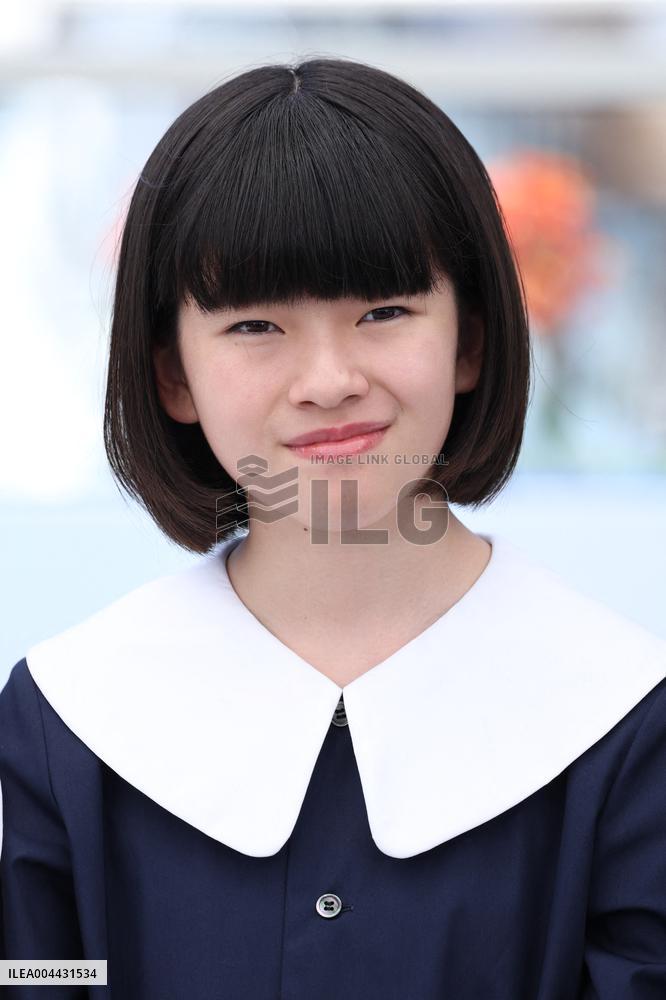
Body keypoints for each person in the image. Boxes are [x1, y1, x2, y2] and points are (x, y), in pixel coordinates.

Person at [1, 57, 665, 1000]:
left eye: (384, 311)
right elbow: (41, 975)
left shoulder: (624, 720)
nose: (328, 379)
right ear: (170, 375)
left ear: (471, 340)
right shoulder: (68, 719)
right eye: (255, 326)